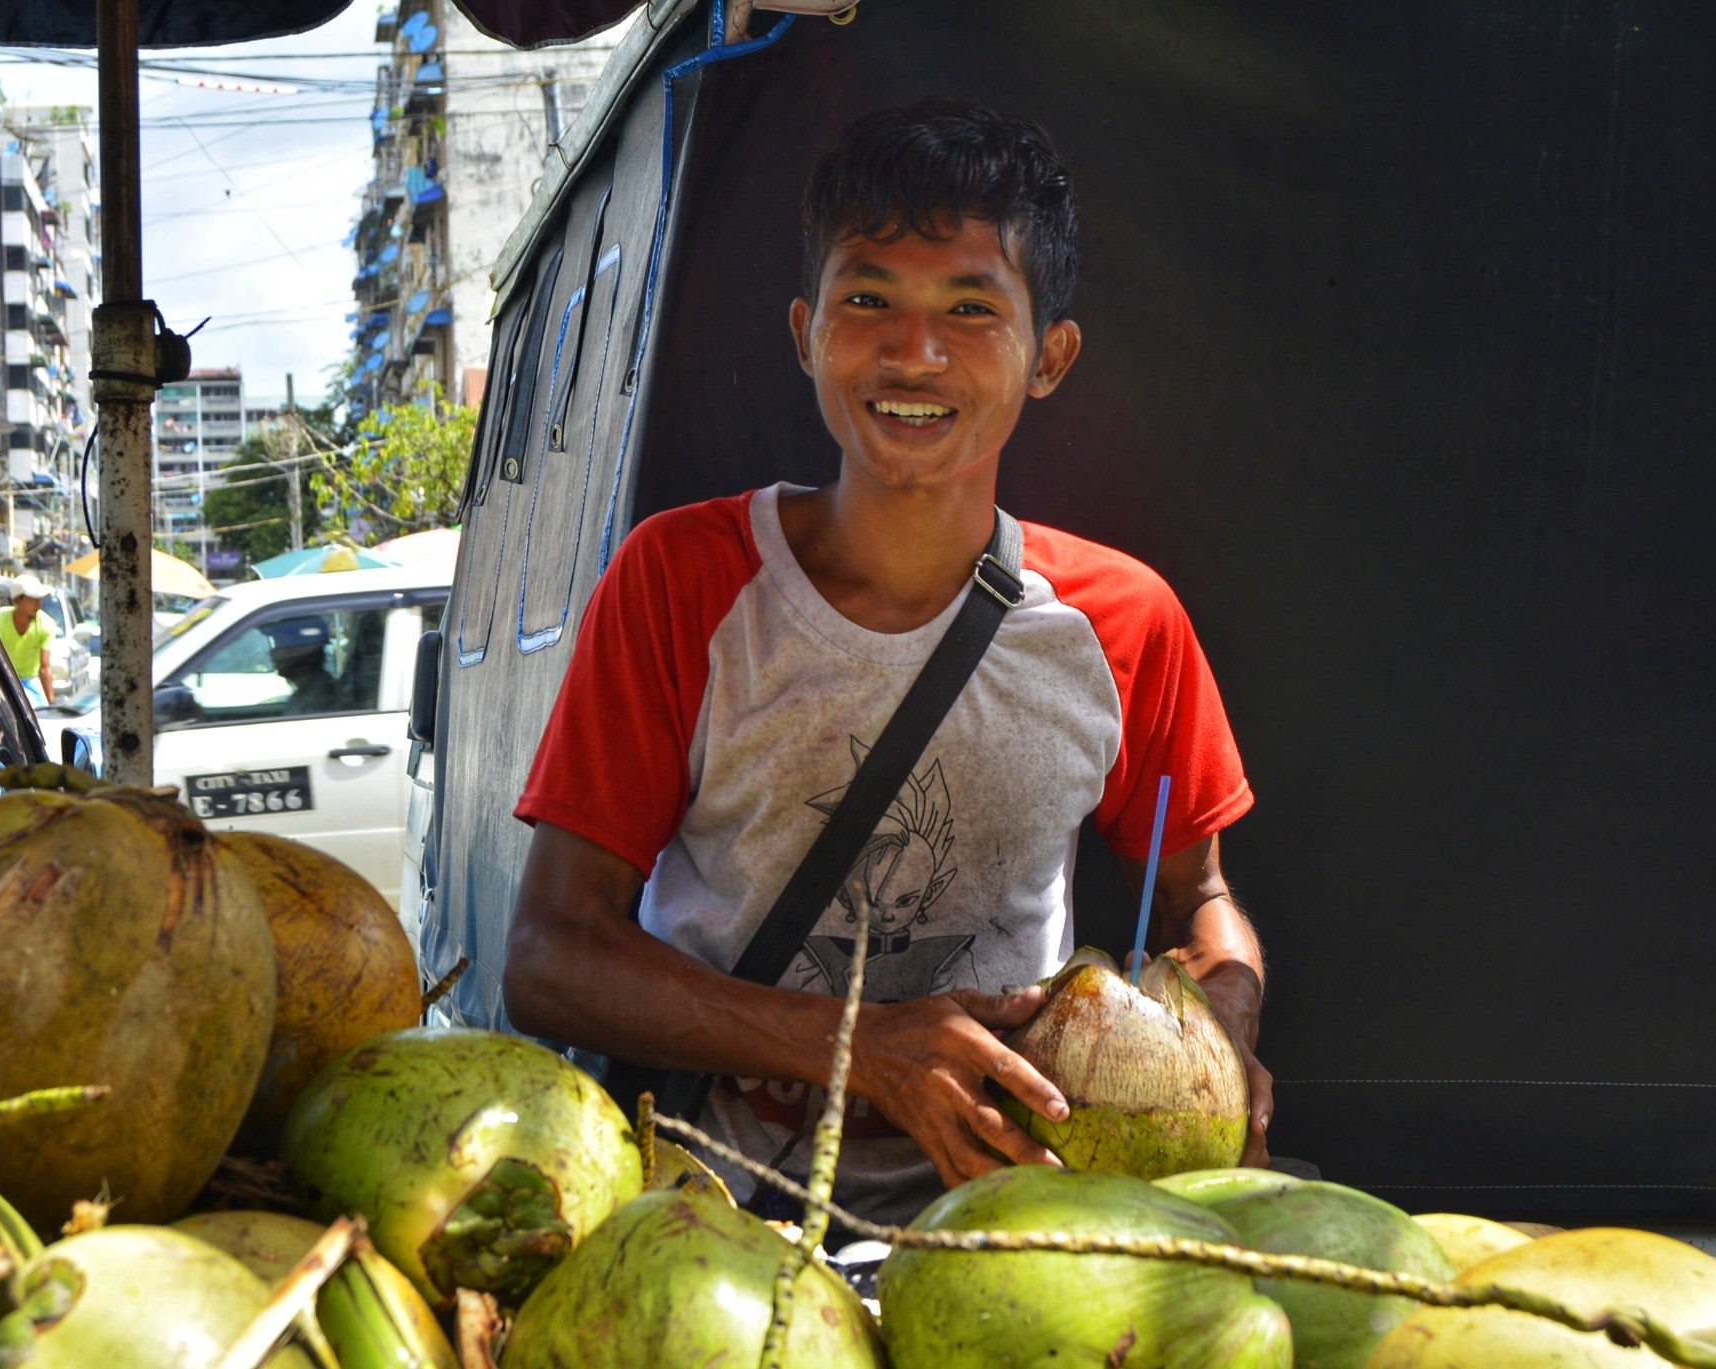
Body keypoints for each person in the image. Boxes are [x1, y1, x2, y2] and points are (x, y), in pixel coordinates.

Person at [503, 101, 1273, 1225]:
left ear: (1048, 356)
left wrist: (1222, 1032)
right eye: (868, 300)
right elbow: (549, 955)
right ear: (807, 332)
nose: (914, 352)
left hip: (1026, 1228)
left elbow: (1199, 899)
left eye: (970, 308)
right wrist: (857, 1048)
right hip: (708, 1218)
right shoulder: (680, 581)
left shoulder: (1123, 621)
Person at [0, 574, 59, 705]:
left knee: (39, 711)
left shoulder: (46, 624)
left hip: (30, 681)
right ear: (17, 599)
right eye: (33, 599)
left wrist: (52, 704)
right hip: (2, 678)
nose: (38, 604)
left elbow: (45, 668)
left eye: (39, 599)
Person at [264, 616, 341, 715]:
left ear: (301, 651)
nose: (272, 653)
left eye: (279, 644)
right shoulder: (309, 692)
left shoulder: (318, 703)